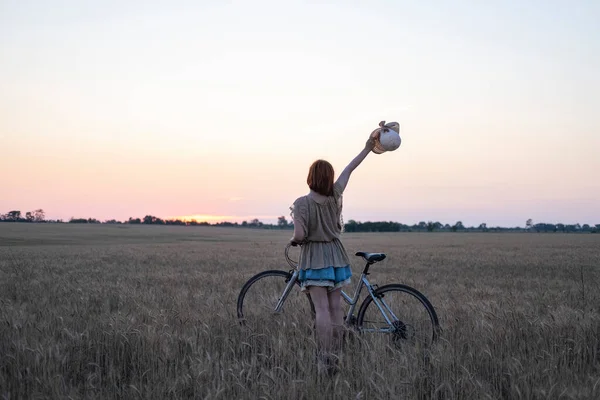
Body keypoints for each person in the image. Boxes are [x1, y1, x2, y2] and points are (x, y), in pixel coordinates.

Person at [290, 131, 379, 374]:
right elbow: (350, 168)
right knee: (336, 309)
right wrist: (368, 148)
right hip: (336, 256)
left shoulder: (301, 203)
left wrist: (294, 240)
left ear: (310, 177)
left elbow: (299, 236)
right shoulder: (335, 195)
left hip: (315, 257)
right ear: (329, 178)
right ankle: (337, 357)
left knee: (321, 310)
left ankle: (323, 360)